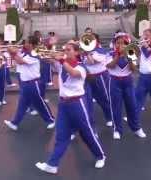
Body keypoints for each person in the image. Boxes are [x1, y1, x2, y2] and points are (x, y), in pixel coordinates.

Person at [36, 41, 106, 174]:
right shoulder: (63, 64)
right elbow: (51, 62)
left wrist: (61, 60)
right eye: (65, 49)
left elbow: (73, 73)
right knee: (61, 136)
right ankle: (52, 164)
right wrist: (45, 52)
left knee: (87, 133)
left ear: (77, 52)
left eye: (69, 50)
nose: (66, 51)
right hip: (63, 104)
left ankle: (101, 155)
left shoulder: (81, 68)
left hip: (77, 104)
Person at [3, 36, 55, 131]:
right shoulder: (24, 53)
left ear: (31, 44)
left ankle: (51, 120)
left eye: (26, 42)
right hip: (26, 83)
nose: (24, 44)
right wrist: (10, 49)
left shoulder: (34, 55)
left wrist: (12, 53)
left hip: (33, 84)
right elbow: (14, 54)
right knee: (22, 104)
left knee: (40, 103)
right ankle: (15, 123)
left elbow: (20, 61)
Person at [106, 33, 146, 140]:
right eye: (118, 43)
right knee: (116, 107)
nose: (121, 45)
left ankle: (136, 128)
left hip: (127, 81)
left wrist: (129, 57)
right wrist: (118, 55)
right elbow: (110, 65)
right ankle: (117, 130)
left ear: (127, 44)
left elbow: (134, 69)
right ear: (114, 44)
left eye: (123, 43)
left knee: (132, 105)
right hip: (114, 81)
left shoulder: (131, 53)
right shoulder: (110, 53)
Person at [82, 34, 113, 127]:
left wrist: (87, 53)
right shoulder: (84, 52)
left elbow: (92, 62)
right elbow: (85, 62)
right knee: (89, 99)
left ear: (96, 41)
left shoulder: (101, 50)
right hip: (89, 77)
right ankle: (89, 122)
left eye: (92, 39)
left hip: (101, 77)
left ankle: (110, 117)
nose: (89, 41)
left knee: (104, 98)